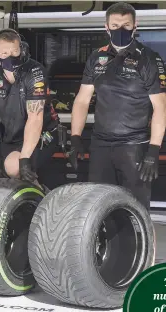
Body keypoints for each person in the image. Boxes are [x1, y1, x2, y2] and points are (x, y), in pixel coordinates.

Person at [69, 2, 166, 210]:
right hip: (101, 145)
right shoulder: (97, 57)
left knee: (136, 210)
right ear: (106, 27)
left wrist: (153, 151)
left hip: (134, 147)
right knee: (99, 209)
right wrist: (75, 137)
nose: (120, 30)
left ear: (135, 26)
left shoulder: (149, 59)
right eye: (115, 25)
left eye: (125, 25)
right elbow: (82, 99)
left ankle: (143, 243)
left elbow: (161, 107)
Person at [0, 29, 60, 187]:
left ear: (22, 49)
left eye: (15, 51)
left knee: (15, 167)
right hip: (9, 136)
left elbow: (35, 118)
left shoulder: (34, 71)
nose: (11, 56)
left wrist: (25, 158)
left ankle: (41, 199)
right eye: (5, 52)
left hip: (43, 133)